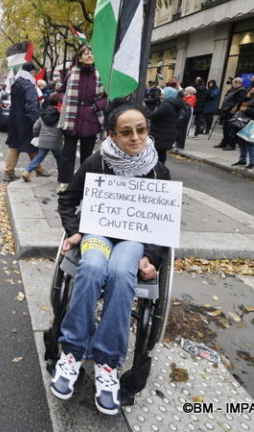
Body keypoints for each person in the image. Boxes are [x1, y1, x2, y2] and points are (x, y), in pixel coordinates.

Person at [52, 98, 168, 416]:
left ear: (147, 131)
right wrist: (75, 229)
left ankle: (107, 362)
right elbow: (67, 199)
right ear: (113, 135)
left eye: (141, 130)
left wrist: (153, 259)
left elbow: (162, 224)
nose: (135, 137)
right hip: (97, 233)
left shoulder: (159, 171)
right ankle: (73, 352)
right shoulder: (96, 162)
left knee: (120, 273)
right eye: (126, 132)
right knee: (91, 268)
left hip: (133, 239)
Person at [58, 45, 107, 185]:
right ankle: (64, 182)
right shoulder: (71, 74)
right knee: (67, 154)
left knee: (87, 155)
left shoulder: (101, 75)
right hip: (71, 119)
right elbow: (61, 90)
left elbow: (106, 97)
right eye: (86, 53)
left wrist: (95, 107)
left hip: (91, 119)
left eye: (92, 53)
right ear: (80, 58)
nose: (90, 55)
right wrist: (65, 100)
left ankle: (84, 183)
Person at [4, 62, 47, 182]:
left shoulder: (16, 84)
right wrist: (37, 122)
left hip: (14, 120)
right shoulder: (29, 86)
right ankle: (39, 170)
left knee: (15, 146)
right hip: (26, 122)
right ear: (32, 73)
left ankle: (9, 172)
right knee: (32, 145)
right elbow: (32, 106)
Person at [23, 93, 63, 182]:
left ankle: (27, 171)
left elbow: (36, 126)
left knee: (39, 157)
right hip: (56, 140)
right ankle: (62, 176)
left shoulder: (44, 114)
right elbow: (62, 127)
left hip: (43, 140)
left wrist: (36, 135)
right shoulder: (60, 115)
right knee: (60, 158)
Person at [149, 87, 184, 164]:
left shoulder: (166, 106)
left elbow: (152, 115)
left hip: (160, 133)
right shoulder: (174, 104)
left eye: (163, 94)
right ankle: (161, 168)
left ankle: (158, 170)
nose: (161, 95)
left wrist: (145, 108)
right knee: (161, 152)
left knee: (156, 153)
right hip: (167, 133)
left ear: (169, 95)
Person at [214, 77, 246, 150]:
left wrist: (235, 108)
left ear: (238, 83)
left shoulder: (241, 91)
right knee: (225, 127)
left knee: (231, 128)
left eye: (234, 83)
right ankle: (224, 142)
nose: (233, 84)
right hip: (227, 110)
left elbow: (241, 101)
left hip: (233, 111)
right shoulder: (232, 90)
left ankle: (231, 144)